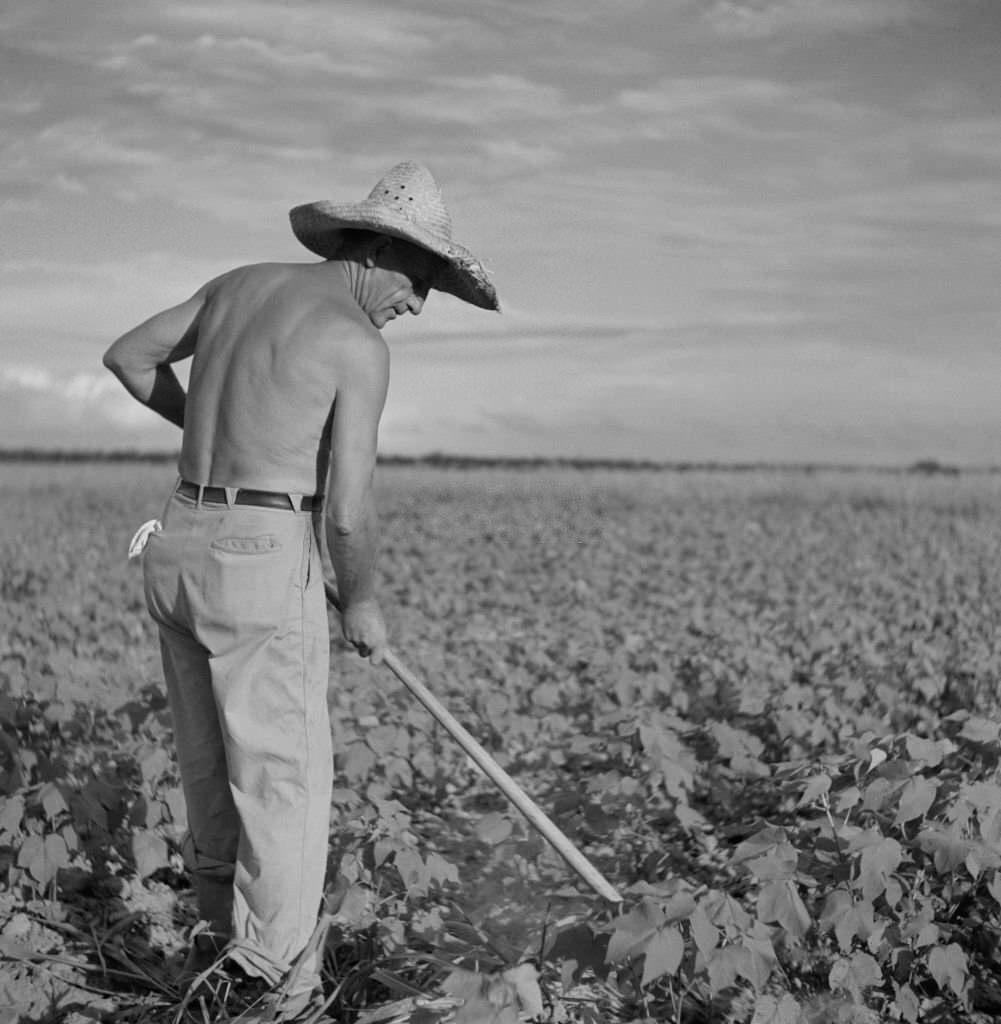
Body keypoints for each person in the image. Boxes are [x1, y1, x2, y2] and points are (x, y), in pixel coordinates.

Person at [102, 161, 499, 1019]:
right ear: (375, 248)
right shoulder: (357, 344)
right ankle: (277, 989)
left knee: (209, 764)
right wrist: (360, 602)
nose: (418, 305)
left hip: (177, 537)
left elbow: (128, 357)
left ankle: (219, 955)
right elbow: (348, 515)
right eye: (420, 280)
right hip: (258, 550)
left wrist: (226, 433)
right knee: (281, 779)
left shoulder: (237, 287)